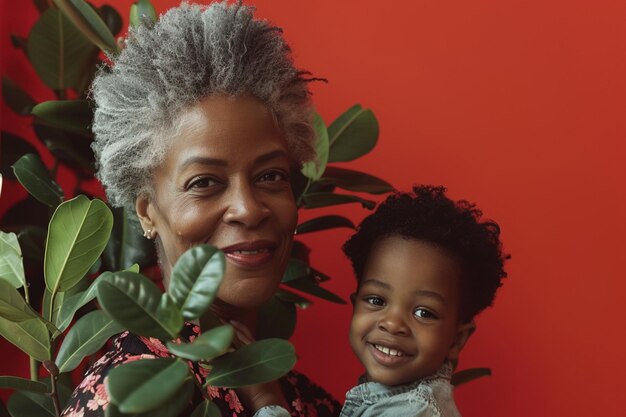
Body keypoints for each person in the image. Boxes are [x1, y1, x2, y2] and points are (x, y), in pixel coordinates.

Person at [60, 2, 339, 416]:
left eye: (270, 176)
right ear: (147, 212)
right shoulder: (133, 399)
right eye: (204, 183)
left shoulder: (301, 396)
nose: (247, 208)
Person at [248, 185, 509, 417]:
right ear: (355, 303)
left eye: (424, 313)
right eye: (376, 300)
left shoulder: (413, 411)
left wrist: (264, 400)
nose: (393, 323)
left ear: (457, 340)